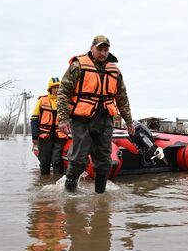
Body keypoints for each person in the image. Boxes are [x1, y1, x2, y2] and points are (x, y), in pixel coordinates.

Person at [57, 35, 134, 193]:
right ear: (92, 48)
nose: (103, 53)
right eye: (100, 49)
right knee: (78, 160)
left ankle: (100, 198)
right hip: (81, 120)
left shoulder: (115, 71)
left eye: (106, 50)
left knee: (104, 162)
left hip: (105, 120)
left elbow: (122, 98)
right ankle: (69, 194)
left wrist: (129, 122)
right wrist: (63, 119)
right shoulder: (78, 66)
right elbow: (63, 92)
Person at [30, 77, 68, 175]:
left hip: (60, 136)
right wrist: (35, 136)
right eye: (54, 87)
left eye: (58, 88)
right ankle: (44, 183)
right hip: (45, 136)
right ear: (50, 89)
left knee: (57, 161)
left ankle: (56, 184)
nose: (56, 90)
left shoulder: (64, 101)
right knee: (44, 162)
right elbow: (34, 119)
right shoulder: (42, 100)